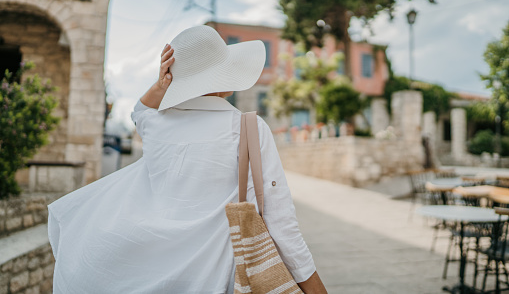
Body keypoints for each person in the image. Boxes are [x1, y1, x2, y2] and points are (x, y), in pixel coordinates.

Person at [47, 25, 326, 293]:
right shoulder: (246, 129)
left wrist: (161, 84)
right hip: (218, 281)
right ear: (223, 76)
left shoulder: (156, 126)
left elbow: (140, 110)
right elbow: (281, 225)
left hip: (153, 275)